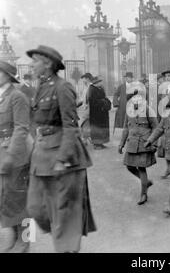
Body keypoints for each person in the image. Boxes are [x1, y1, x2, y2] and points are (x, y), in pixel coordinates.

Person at [25, 45, 96, 253]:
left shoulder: (62, 87)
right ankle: (63, 238)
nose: (31, 65)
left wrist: (63, 158)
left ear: (47, 64)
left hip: (63, 157)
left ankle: (67, 248)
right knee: (35, 207)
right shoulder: (40, 86)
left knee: (65, 212)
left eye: (35, 61)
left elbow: (71, 126)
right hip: (41, 155)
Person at [0, 61, 33, 253]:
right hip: (1, 153)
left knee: (20, 198)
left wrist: (11, 156)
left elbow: (21, 128)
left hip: (16, 154)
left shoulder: (17, 96)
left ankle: (26, 239)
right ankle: (13, 236)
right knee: (5, 197)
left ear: (6, 75)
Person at [118, 90, 158, 205]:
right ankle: (146, 182)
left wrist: (154, 143)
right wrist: (121, 143)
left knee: (141, 168)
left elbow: (156, 128)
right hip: (132, 142)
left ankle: (144, 194)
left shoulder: (148, 110)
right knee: (129, 166)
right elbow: (126, 128)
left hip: (145, 143)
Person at [87, 75, 110, 149]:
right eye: (100, 81)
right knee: (97, 128)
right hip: (95, 113)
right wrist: (102, 101)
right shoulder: (92, 89)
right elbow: (92, 101)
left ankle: (101, 143)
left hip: (102, 113)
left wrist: (107, 102)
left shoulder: (100, 88)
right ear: (96, 82)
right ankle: (96, 144)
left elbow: (104, 97)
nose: (102, 83)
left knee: (102, 128)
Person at [78, 73, 93, 145]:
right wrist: (77, 105)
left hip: (90, 109)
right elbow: (82, 99)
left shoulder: (91, 87)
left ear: (87, 79)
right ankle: (87, 138)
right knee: (85, 124)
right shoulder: (85, 87)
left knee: (85, 123)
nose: (83, 80)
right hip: (86, 109)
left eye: (83, 79)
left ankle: (85, 139)